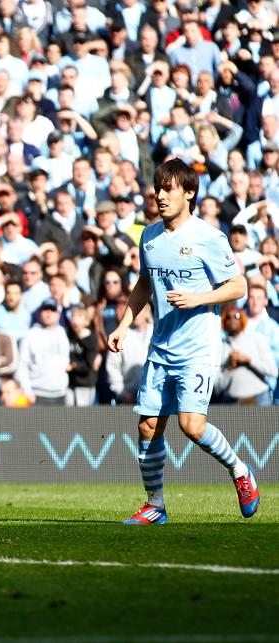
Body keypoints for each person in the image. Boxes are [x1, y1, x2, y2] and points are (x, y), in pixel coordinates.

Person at [107, 158, 259, 525]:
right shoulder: (150, 236)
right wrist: (124, 324)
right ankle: (155, 505)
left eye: (168, 188)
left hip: (198, 348)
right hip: (161, 346)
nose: (160, 195)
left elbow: (238, 285)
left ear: (189, 193)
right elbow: (145, 283)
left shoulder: (208, 237)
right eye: (157, 188)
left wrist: (199, 299)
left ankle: (240, 471)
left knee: (191, 426)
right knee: (147, 425)